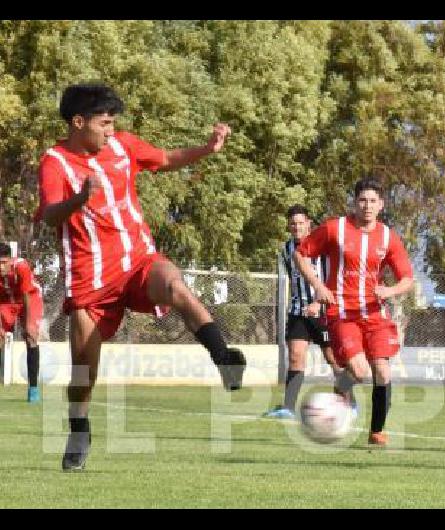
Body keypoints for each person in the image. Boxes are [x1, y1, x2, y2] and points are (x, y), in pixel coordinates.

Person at [36, 83, 246, 471]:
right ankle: (79, 428)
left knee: (174, 284)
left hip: (137, 261)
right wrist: (79, 200)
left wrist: (206, 148)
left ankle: (224, 357)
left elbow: (164, 158)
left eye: (114, 123)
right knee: (84, 371)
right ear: (78, 122)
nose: (111, 131)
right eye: (104, 123)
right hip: (90, 280)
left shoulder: (122, 146)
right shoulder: (55, 162)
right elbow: (49, 215)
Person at [293, 177, 414, 446]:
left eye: (373, 201)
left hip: (374, 315)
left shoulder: (388, 237)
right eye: (362, 200)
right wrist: (318, 286)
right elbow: (301, 254)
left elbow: (407, 278)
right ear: (354, 202)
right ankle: (342, 387)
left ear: (381, 205)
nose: (367, 206)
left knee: (382, 372)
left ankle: (377, 431)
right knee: (359, 371)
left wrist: (389, 291)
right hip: (342, 314)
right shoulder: (335, 229)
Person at [264, 205, 357, 419]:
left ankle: (349, 403)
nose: (296, 227)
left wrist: (319, 302)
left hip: (325, 310)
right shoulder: (287, 249)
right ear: (289, 226)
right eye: (292, 223)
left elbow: (334, 277)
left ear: (309, 224)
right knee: (296, 357)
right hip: (299, 311)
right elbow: (295, 279)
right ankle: (288, 408)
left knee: (334, 360)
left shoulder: (324, 247)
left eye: (300, 223)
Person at [0, 243, 44, 403]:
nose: (1, 267)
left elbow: (26, 294)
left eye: (4, 262)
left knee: (31, 337)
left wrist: (29, 323)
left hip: (29, 299)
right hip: (5, 302)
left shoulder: (22, 267)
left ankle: (33, 389)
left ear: (11, 260)